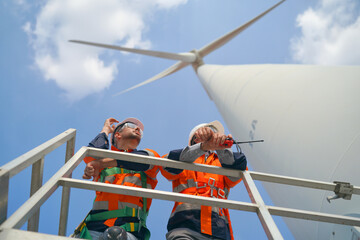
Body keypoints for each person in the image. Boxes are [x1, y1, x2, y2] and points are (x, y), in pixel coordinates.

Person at [74, 117, 160, 240]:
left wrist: (101, 164)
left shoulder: (148, 156)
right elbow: (91, 155)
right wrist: (105, 131)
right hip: (92, 229)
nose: (137, 129)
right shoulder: (102, 160)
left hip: (129, 232)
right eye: (131, 125)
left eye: (140, 130)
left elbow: (143, 161)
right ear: (117, 135)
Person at [161, 120, 247, 240]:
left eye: (215, 133)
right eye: (208, 133)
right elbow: (166, 165)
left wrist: (221, 148)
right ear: (195, 139)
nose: (213, 135)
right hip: (186, 228)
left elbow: (240, 166)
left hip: (218, 231)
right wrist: (202, 147)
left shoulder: (222, 162)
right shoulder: (182, 159)